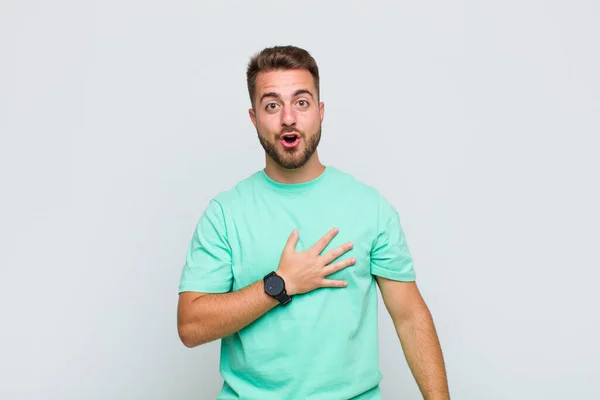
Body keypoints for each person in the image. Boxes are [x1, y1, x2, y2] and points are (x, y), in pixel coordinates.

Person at [177, 45, 450, 400]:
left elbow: (410, 316)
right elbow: (190, 325)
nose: (288, 118)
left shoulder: (370, 207)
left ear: (320, 113)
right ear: (254, 118)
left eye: (301, 103)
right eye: (272, 105)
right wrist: (280, 284)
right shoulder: (225, 214)